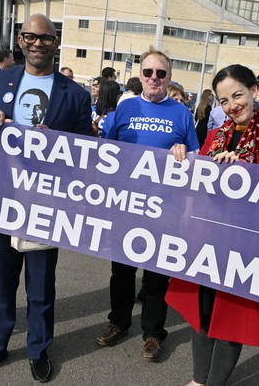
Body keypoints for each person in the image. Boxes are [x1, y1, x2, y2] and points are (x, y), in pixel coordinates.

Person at [0, 14, 92, 382]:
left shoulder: (76, 95)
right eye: (30, 37)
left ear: (56, 43)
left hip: (46, 202)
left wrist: (59, 144)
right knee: (1, 280)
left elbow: (86, 152)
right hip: (1, 195)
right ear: (20, 40)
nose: (38, 44)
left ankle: (38, 349)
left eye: (46, 38)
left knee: (40, 283)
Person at [167, 64, 259, 386]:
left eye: (237, 95)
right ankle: (198, 380)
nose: (232, 105)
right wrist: (181, 155)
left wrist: (245, 176)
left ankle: (215, 383)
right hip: (206, 239)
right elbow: (193, 183)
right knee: (202, 315)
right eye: (224, 100)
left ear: (254, 91)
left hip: (245, 246)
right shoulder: (213, 136)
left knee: (230, 321)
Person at [98, 46, 199, 362]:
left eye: (161, 73)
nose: (154, 78)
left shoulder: (182, 113)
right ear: (139, 76)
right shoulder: (124, 110)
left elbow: (196, 158)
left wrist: (185, 154)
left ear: (168, 78)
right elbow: (103, 152)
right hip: (126, 204)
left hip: (165, 207)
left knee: (157, 275)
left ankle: (153, 334)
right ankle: (119, 322)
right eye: (148, 72)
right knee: (122, 271)